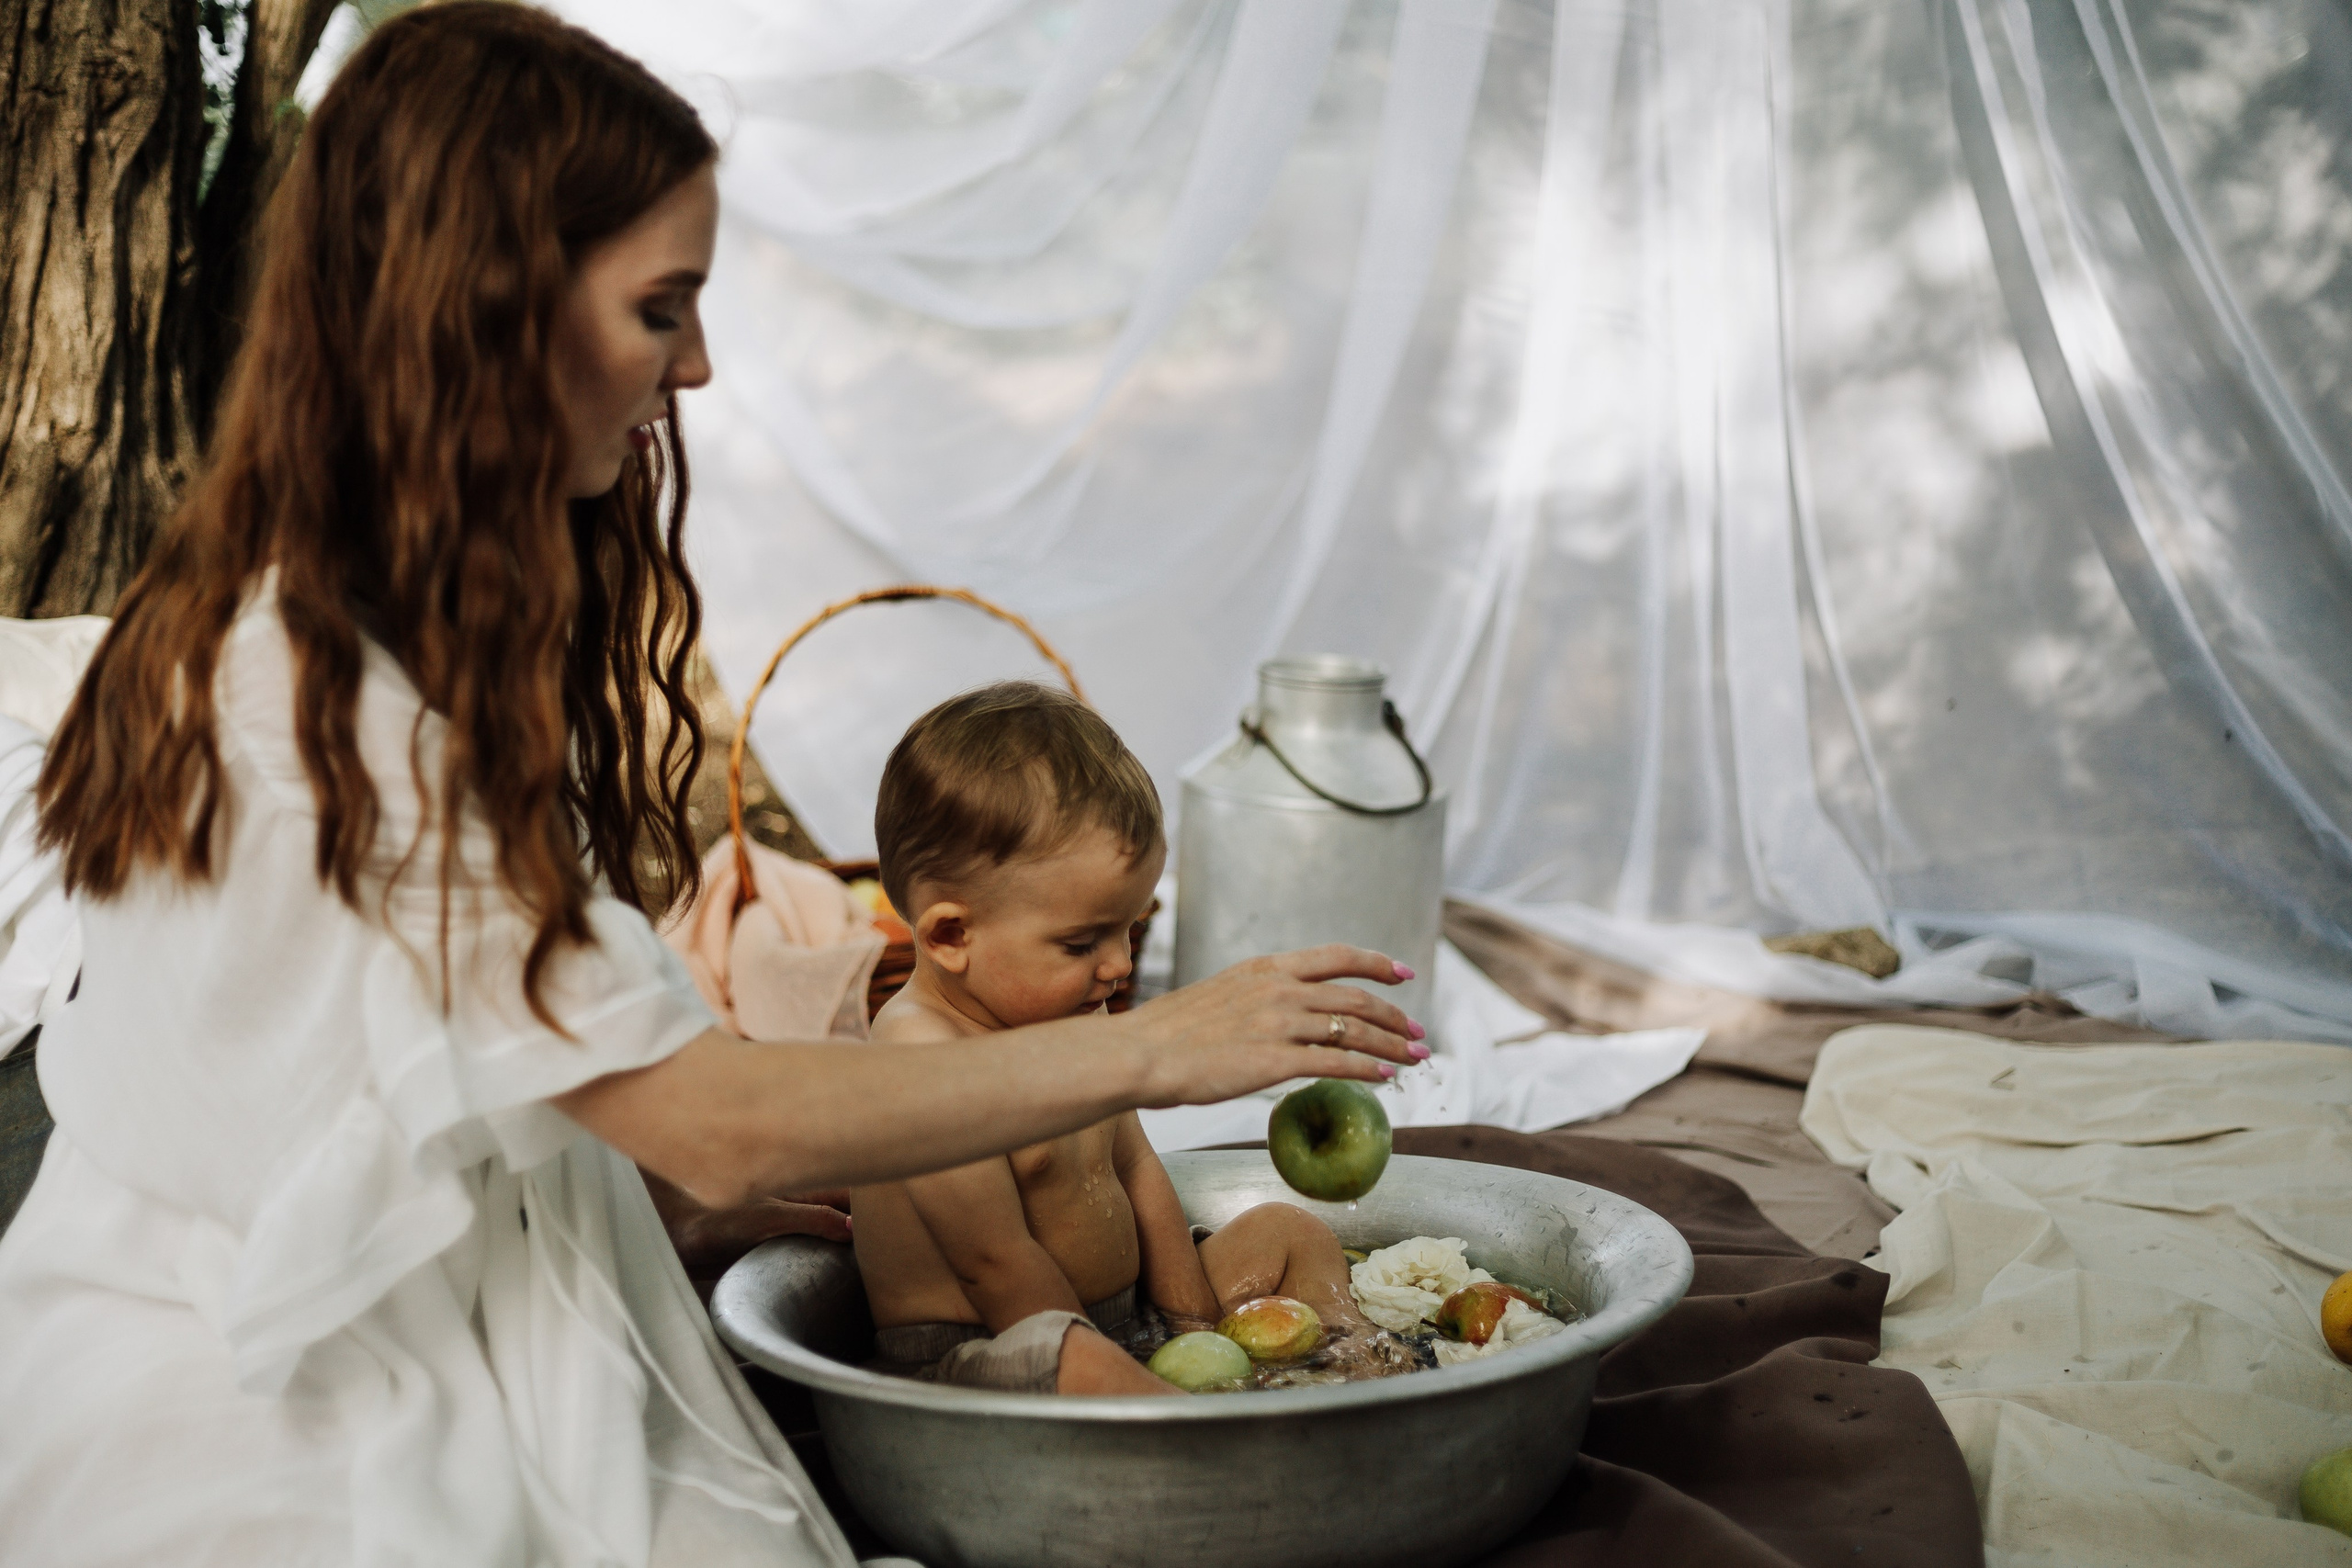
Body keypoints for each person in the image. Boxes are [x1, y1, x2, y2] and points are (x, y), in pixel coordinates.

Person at [0, 8, 1420, 1566]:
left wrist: (659, 1209)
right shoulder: (319, 699)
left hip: (460, 1277)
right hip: (268, 1357)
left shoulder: (404, 637)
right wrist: (1154, 1046)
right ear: (479, 312)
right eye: (659, 306)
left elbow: (442, 1045)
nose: (700, 362)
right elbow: (718, 1118)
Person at [850, 685, 1413, 1396]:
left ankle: (1357, 1370)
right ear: (951, 936)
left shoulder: (1081, 1011)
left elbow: (1137, 1167)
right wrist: (1134, 1377)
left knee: (1290, 1230)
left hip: (1127, 1320)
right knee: (1067, 1355)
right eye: (1082, 941)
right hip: (990, 1349)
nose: (1119, 964)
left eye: (1128, 925)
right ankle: (1206, 1438)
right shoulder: (921, 1057)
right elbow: (994, 1265)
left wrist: (1197, 1329)